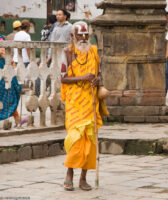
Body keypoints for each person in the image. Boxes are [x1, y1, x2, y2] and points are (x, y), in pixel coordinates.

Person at [61, 21, 103, 191]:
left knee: (90, 140)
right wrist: (83, 77)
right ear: (73, 36)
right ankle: (69, 174)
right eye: (80, 35)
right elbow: (63, 78)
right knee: (75, 139)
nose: (84, 38)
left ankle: (84, 178)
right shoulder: (68, 53)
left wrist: (96, 79)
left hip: (91, 100)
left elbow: (99, 73)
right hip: (74, 102)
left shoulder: (93, 52)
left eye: (86, 35)